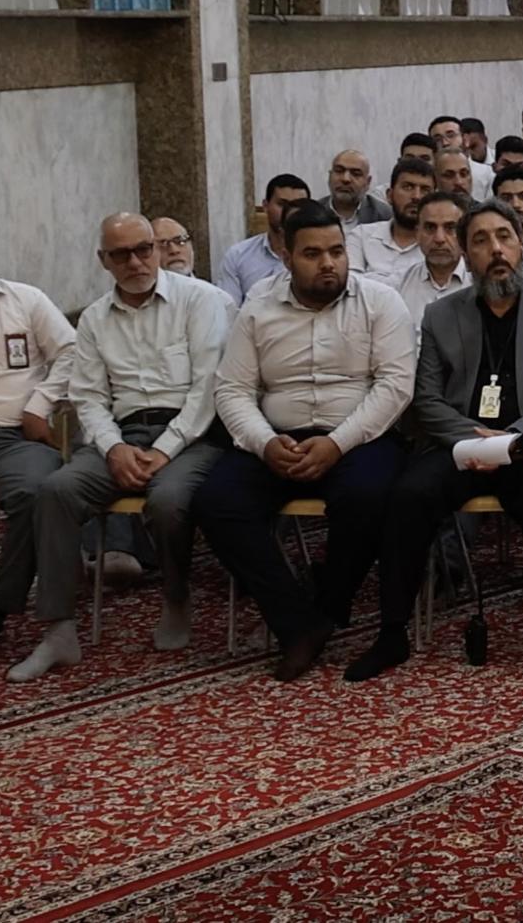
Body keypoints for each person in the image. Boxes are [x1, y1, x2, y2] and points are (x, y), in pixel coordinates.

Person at [344, 200, 523, 683]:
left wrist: (515, 440)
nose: (495, 249)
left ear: (521, 245)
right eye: (480, 240)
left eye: (504, 237)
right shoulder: (440, 314)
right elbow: (427, 399)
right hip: (460, 444)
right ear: (464, 252)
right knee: (408, 495)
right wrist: (478, 441)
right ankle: (392, 633)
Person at [195, 202, 413, 681]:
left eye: (337, 251)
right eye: (312, 254)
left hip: (358, 437)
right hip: (278, 437)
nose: (328, 263)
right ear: (287, 258)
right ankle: (296, 622)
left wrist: (337, 444)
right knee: (217, 502)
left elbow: (395, 386)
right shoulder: (258, 306)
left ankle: (329, 607)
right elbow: (232, 389)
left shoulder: (381, 302)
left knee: (369, 496)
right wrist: (263, 442)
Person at [22, 216, 231, 675]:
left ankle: (176, 597)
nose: (136, 262)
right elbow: (89, 398)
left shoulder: (201, 300)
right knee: (56, 491)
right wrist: (114, 448)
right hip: (122, 434)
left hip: (192, 435)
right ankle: (59, 630)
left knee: (168, 499)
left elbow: (208, 389)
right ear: (104, 260)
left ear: (156, 248)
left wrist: (165, 449)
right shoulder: (95, 319)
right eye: (122, 254)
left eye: (144, 249)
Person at [0, 205, 76, 673]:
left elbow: (73, 352)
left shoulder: (24, 300)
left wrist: (40, 403)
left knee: (37, 492)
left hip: (16, 437)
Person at [215, 174, 310, 305]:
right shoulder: (238, 256)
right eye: (282, 204)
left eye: (298, 206)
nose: (289, 212)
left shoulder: (320, 257)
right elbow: (228, 309)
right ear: (265, 206)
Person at [388, 191, 471, 335]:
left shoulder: (481, 286)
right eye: (430, 228)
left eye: (450, 228)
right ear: (417, 234)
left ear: (465, 234)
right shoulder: (397, 286)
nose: (439, 238)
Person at [348, 157, 435, 282]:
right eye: (408, 187)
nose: (416, 196)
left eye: (425, 190)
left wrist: (371, 280)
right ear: (389, 195)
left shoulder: (439, 245)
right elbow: (352, 285)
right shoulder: (361, 236)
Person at [324, 150, 391, 228]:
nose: (346, 179)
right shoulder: (314, 211)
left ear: (368, 182)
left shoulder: (386, 216)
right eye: (339, 171)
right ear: (329, 176)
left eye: (356, 174)